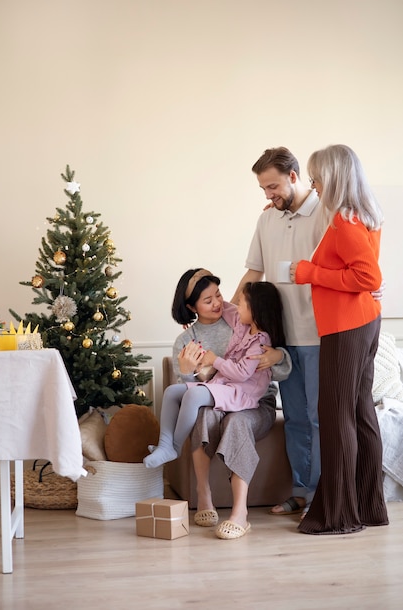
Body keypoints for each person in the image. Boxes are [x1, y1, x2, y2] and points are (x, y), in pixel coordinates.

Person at [146, 268, 291, 539]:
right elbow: (188, 381)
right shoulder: (185, 340)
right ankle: (201, 492)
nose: (218, 303)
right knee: (190, 404)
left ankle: (240, 513)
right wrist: (189, 372)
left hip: (250, 399)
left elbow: (272, 359)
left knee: (232, 419)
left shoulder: (239, 319)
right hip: (219, 391)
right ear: (191, 307)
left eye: (218, 295)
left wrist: (277, 356)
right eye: (207, 300)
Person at [290, 144, 388, 534]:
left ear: (332, 177)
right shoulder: (365, 214)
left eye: (316, 177)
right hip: (364, 323)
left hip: (346, 328)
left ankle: (339, 515)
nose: (313, 185)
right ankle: (368, 507)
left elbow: (369, 278)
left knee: (335, 416)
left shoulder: (345, 222)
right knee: (360, 413)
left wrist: (310, 272)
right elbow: (369, 278)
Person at [232, 147, 326, 516]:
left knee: (320, 419)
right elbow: (254, 273)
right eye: (263, 189)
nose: (269, 195)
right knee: (297, 419)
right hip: (281, 340)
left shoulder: (325, 212)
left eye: (273, 186)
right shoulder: (267, 221)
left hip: (320, 335)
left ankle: (322, 495)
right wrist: (226, 313)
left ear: (293, 176)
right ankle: (302, 490)